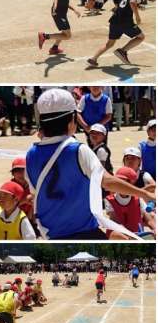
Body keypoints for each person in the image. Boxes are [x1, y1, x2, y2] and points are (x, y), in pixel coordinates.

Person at [25, 88, 155, 240]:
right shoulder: (78, 150)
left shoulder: (31, 154)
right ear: (72, 120)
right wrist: (145, 194)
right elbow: (107, 182)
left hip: (50, 233)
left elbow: (35, 194)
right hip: (82, 230)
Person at [87, 0, 150, 66]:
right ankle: (122, 51)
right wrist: (138, 17)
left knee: (109, 44)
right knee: (141, 37)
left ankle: (93, 59)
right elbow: (132, 2)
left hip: (115, 19)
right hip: (125, 22)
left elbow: (126, 2)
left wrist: (138, 6)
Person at [105, 167, 155, 238]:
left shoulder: (138, 199)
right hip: (119, 235)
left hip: (138, 235)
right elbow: (115, 221)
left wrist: (154, 228)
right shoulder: (109, 200)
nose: (121, 186)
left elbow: (149, 218)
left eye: (125, 182)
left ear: (131, 183)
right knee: (114, 232)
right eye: (119, 182)